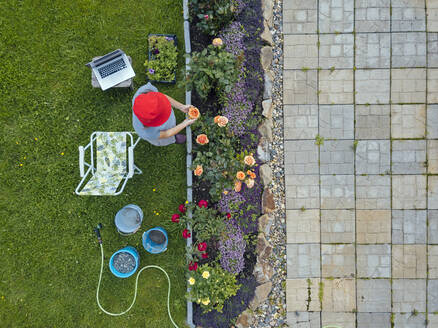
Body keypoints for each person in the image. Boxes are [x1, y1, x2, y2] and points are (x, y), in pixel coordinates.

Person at [132, 82, 197, 146]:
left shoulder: (143, 92)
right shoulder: (147, 133)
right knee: (169, 137)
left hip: (164, 127)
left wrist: (181, 107)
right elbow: (167, 133)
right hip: (162, 134)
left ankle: (174, 130)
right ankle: (174, 139)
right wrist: (184, 123)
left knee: (171, 125)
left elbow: (163, 97)